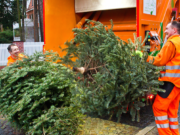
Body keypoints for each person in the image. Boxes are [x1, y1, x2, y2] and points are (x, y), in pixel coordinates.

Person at [147, 21, 180, 135]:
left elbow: (159, 61)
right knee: (172, 111)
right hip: (177, 84)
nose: (165, 31)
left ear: (174, 30)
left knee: (158, 108)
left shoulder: (172, 43)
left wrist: (145, 58)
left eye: (167, 28)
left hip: (170, 82)